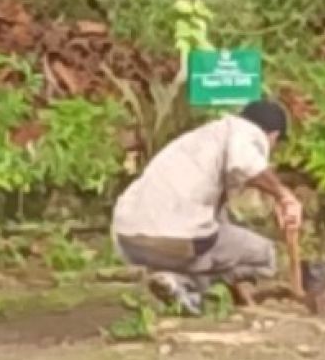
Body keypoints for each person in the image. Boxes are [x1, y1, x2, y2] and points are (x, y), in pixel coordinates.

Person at [110, 99, 303, 315]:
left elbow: (219, 220)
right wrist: (284, 196)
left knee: (215, 242)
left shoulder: (202, 140)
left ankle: (173, 282)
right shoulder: (245, 134)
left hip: (129, 239)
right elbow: (245, 163)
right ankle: (182, 283)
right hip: (175, 239)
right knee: (265, 255)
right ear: (273, 135)